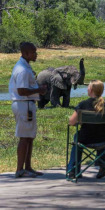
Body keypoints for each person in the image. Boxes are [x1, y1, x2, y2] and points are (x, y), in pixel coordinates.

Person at [67, 80, 105, 179]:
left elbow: (71, 122)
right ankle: (103, 162)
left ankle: (73, 170)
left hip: (85, 140)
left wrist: (81, 121)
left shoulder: (83, 105)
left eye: (88, 87)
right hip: (103, 140)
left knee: (77, 137)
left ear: (90, 89)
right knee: (101, 134)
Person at [9, 42, 47, 178]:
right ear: (25, 53)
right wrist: (39, 90)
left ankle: (28, 167)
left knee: (30, 137)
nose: (36, 54)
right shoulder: (22, 70)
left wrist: (37, 90)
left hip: (28, 105)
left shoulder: (25, 66)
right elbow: (21, 90)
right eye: (33, 52)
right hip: (23, 104)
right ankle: (20, 169)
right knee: (24, 138)